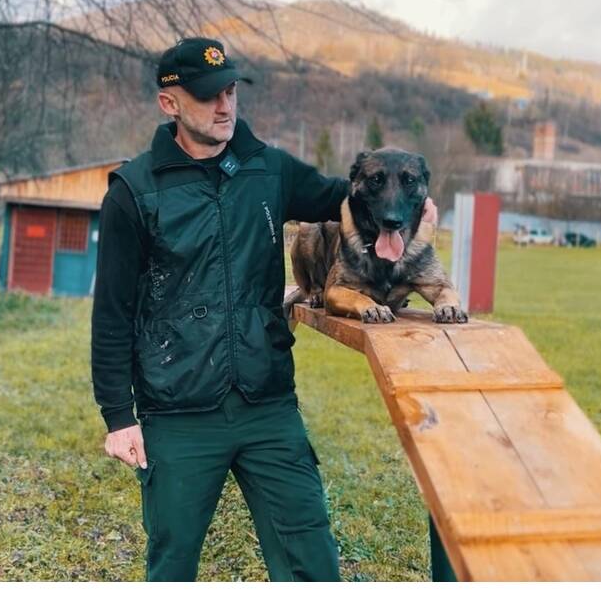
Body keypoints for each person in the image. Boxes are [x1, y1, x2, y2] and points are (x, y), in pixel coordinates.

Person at [91, 37, 434, 581]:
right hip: (177, 412)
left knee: (313, 564)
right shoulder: (134, 192)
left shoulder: (268, 169)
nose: (225, 105)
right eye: (208, 96)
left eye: (230, 91)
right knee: (172, 566)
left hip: (267, 403)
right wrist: (118, 416)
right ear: (169, 103)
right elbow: (112, 311)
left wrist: (410, 204)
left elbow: (349, 198)